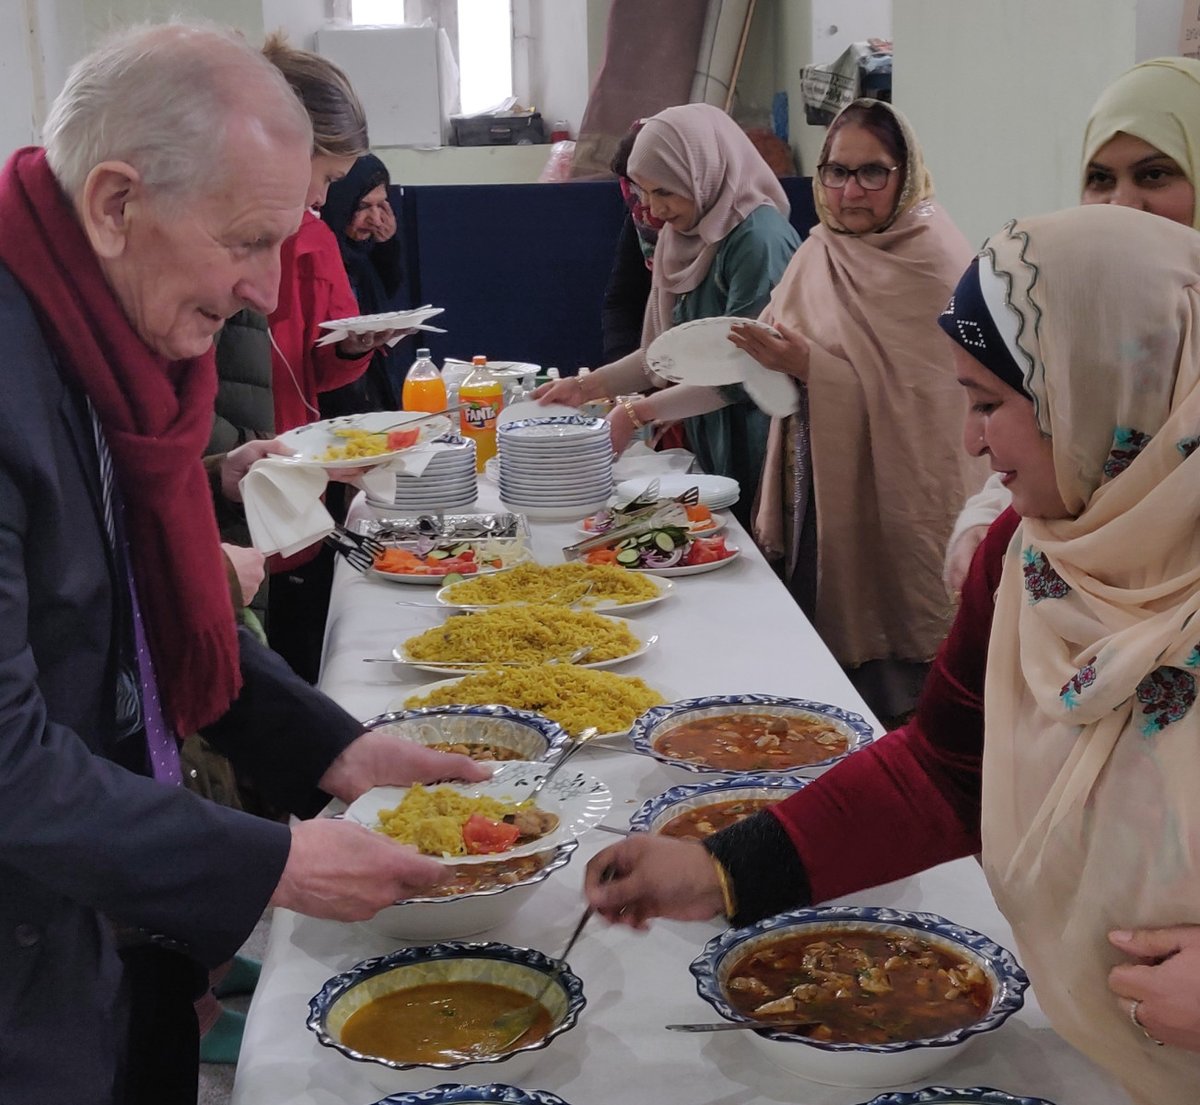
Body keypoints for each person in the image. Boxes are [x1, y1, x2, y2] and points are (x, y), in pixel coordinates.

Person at [585, 204, 1200, 1103]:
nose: (970, 442)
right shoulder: (1035, 558)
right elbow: (946, 768)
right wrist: (722, 866)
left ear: (1108, 390)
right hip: (1101, 1048)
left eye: (991, 404)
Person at [0, 23, 486, 1104]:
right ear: (116, 204)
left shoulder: (99, 342)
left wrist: (340, 752)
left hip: (104, 924)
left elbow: (144, 609)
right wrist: (273, 865)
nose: (270, 291)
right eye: (249, 240)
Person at [728, 98, 986, 720]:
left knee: (904, 670)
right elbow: (755, 349)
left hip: (909, 490)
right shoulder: (820, 251)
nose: (850, 191)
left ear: (907, 174)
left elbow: (935, 399)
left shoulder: (939, 261)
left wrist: (811, 368)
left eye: (873, 172)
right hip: (817, 477)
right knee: (828, 643)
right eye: (835, 172)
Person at [943, 56, 1200, 594]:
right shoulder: (1086, 311)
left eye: (1155, 174)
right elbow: (1065, 437)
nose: (1123, 203)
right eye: (1100, 179)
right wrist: (986, 523)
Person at [535, 102, 801, 528]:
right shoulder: (681, 235)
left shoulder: (758, 240)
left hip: (759, 440)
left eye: (665, 192)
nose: (653, 211)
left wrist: (638, 412)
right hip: (713, 436)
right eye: (642, 192)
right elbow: (664, 355)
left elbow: (741, 373)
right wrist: (585, 387)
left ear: (703, 173)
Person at [261, 35, 402, 682]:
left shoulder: (307, 231)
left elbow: (310, 366)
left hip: (288, 476)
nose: (323, 200)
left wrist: (351, 345)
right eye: (327, 181)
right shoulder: (282, 235)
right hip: (266, 483)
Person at [319, 152, 407, 415]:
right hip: (334, 399)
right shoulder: (321, 257)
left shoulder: (363, 252)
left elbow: (387, 290)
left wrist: (387, 247)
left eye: (382, 205)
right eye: (364, 207)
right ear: (341, 203)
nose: (377, 220)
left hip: (373, 380)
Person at [600, 119, 661, 363]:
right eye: (636, 189)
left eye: (657, 191)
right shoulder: (643, 220)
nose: (646, 204)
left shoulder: (745, 238)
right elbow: (621, 302)